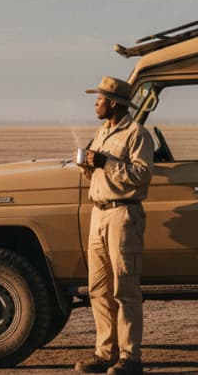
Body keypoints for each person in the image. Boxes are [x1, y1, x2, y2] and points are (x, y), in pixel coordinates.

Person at [75, 76, 154, 375]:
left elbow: (142, 175)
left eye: (100, 98)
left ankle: (131, 357)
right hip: (99, 212)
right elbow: (98, 174)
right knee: (98, 289)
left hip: (123, 215)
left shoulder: (138, 134)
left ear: (114, 103)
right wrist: (89, 167)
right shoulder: (102, 132)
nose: (95, 103)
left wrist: (104, 163)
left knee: (125, 287)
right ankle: (104, 353)